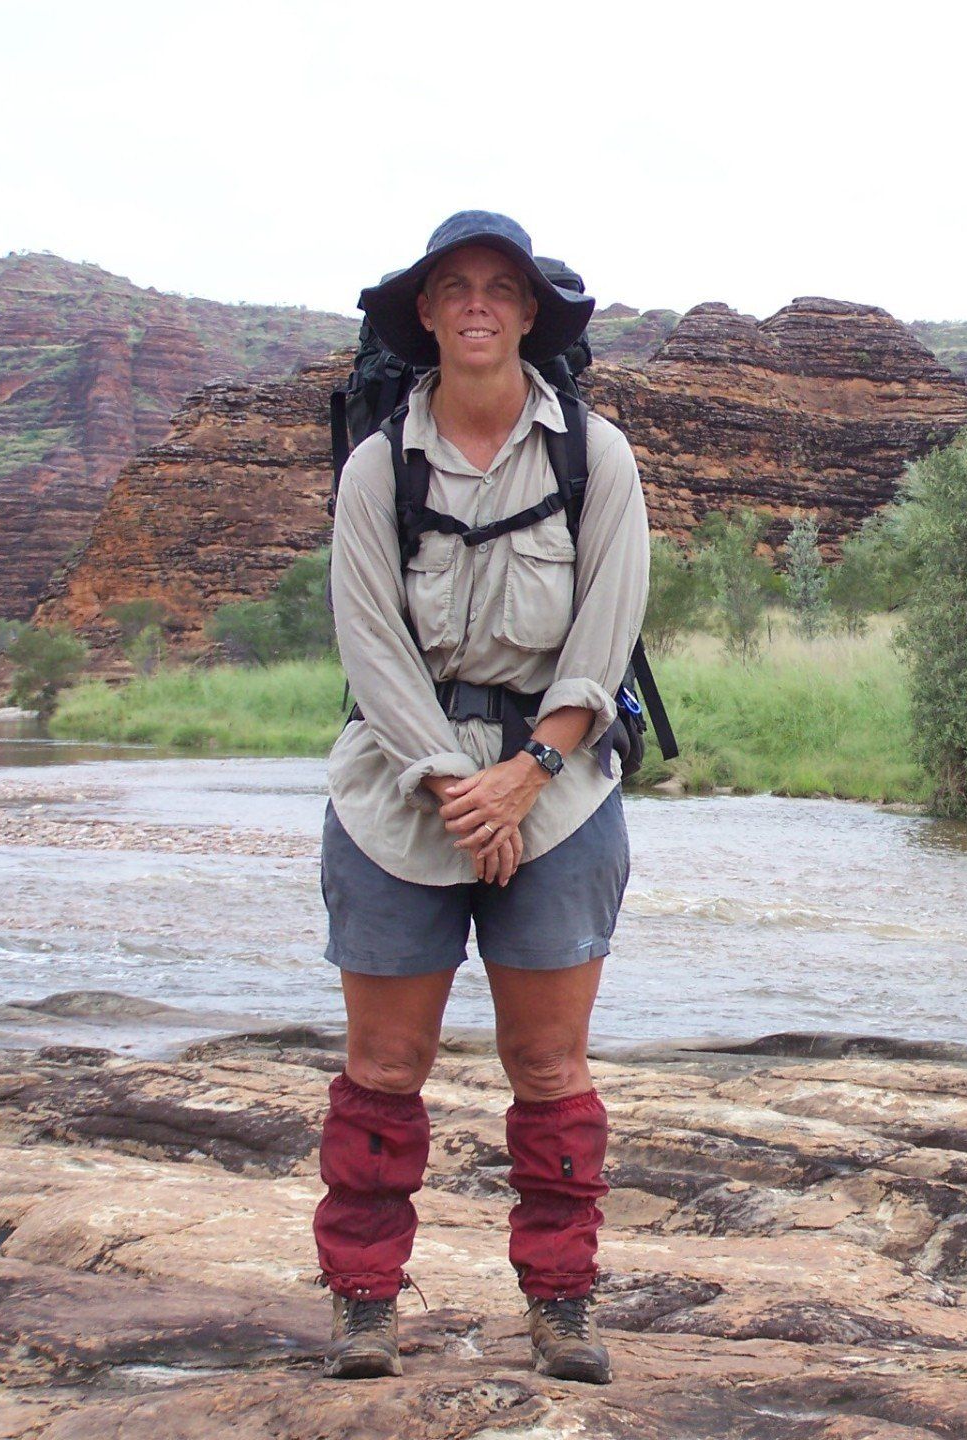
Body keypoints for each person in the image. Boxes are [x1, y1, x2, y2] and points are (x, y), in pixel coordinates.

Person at [311, 211, 648, 1385]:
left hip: (552, 791)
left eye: (500, 288)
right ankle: (363, 1308)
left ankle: (562, 1306)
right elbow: (370, 649)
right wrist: (462, 788)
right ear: (425, 312)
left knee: (550, 1072)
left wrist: (527, 776)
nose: (477, 305)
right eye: (455, 286)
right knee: (385, 1071)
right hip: (402, 797)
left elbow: (606, 637)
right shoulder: (375, 467)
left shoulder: (594, 459)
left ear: (528, 315)